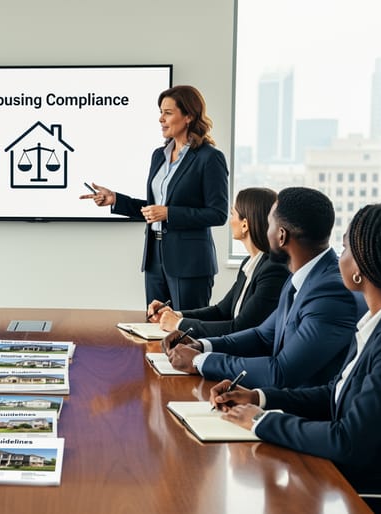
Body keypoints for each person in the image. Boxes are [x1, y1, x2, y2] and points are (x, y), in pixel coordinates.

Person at [213, 202, 381, 508]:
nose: (337, 257)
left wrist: (261, 422)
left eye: (344, 249)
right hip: (356, 476)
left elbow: (348, 439)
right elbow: (336, 392)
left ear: (361, 269)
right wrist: (260, 398)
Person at [164, 187, 362, 388]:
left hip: (300, 411)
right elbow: (262, 336)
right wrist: (202, 346)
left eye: (269, 225)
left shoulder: (330, 293)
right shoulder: (300, 278)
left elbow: (281, 372)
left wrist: (199, 361)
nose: (266, 232)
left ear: (281, 235)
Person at [80, 85, 228, 310]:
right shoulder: (159, 156)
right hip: (155, 259)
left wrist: (169, 213)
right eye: (160, 112)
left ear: (188, 116)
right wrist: (115, 200)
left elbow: (218, 214)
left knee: (183, 332)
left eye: (168, 112)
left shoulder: (210, 158)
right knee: (154, 328)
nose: (161, 118)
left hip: (189, 263)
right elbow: (152, 209)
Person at [148, 187, 289, 337]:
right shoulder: (250, 263)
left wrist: (178, 325)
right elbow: (221, 311)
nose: (230, 220)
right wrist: (176, 314)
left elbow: (240, 328)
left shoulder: (273, 270)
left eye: (233, 214)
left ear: (245, 225)